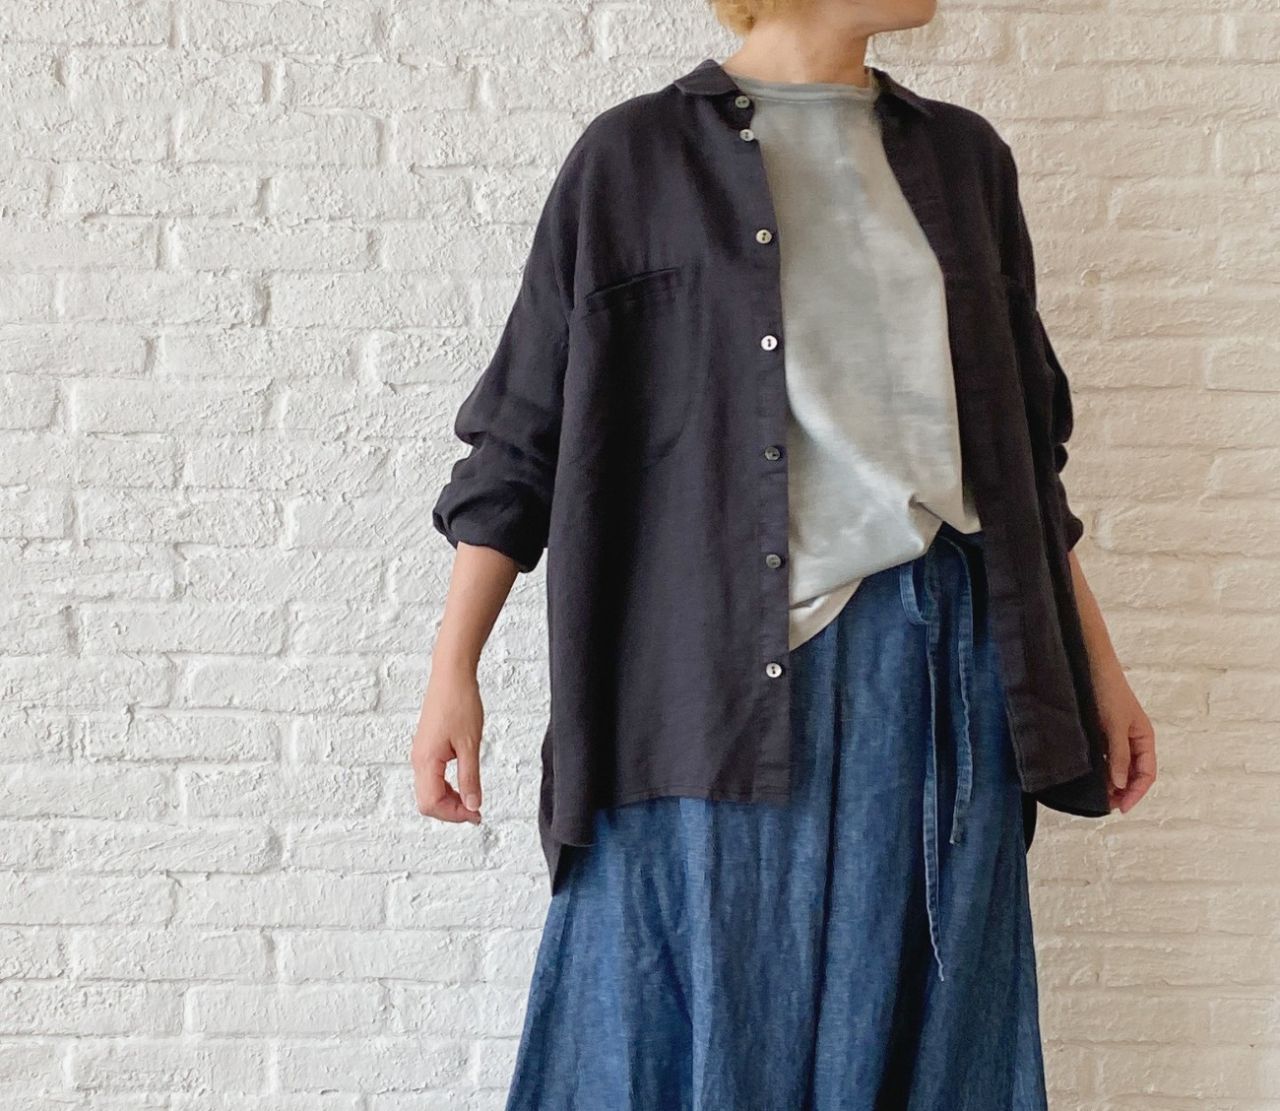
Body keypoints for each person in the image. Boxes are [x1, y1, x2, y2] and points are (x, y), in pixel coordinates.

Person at [415, 0, 1157, 1105]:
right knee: (697, 1010)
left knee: (931, 1036)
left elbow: (1020, 463)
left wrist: (1099, 668)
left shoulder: (965, 162)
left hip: (946, 670)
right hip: (710, 679)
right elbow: (525, 434)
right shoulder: (632, 159)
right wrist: (453, 671)